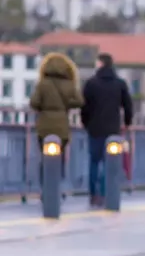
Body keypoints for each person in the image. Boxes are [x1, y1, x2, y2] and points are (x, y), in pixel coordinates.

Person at [80, 53, 132, 208]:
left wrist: (86, 123)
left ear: (100, 64)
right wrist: (127, 123)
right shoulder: (120, 84)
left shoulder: (91, 84)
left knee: (94, 162)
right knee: (110, 162)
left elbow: (85, 107)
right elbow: (128, 106)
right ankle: (104, 192)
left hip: (94, 128)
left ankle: (93, 195)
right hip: (113, 130)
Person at [31, 52, 83, 195]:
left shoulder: (42, 84)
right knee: (59, 158)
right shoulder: (69, 84)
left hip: (44, 126)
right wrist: (66, 105)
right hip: (62, 126)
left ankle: (44, 188)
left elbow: (34, 103)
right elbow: (80, 101)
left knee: (44, 157)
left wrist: (44, 106)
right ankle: (56, 187)